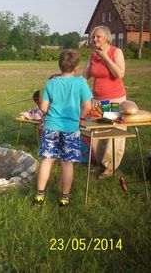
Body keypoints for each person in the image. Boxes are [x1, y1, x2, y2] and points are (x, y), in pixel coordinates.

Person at [34, 50, 93, 207]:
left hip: (51, 126)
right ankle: (64, 198)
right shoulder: (81, 82)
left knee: (47, 160)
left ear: (59, 65)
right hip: (71, 128)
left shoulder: (51, 83)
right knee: (67, 163)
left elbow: (44, 108)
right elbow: (88, 106)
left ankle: (39, 196)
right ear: (76, 67)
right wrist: (79, 115)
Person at [82, 25, 126, 180]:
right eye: (93, 37)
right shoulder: (93, 55)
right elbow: (85, 76)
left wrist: (106, 58)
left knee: (113, 134)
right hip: (97, 100)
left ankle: (110, 167)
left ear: (107, 38)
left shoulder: (116, 52)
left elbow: (119, 73)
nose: (94, 39)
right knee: (98, 134)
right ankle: (100, 163)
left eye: (98, 36)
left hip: (114, 99)